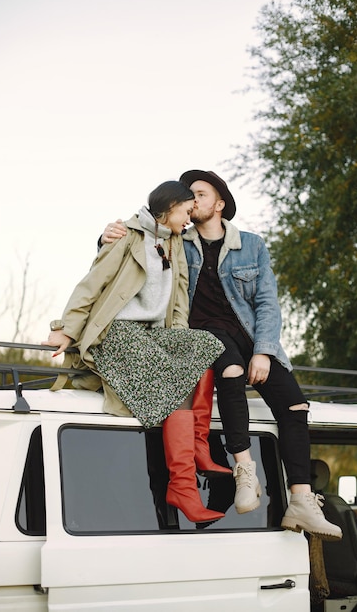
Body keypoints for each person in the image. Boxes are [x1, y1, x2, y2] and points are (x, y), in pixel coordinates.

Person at [100, 170, 342, 540]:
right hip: (206, 335)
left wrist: (263, 352)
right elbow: (137, 247)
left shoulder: (252, 245)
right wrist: (103, 236)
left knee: (295, 406)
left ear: (220, 203)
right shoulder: (178, 238)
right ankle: (245, 471)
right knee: (229, 370)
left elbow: (266, 304)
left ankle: (301, 500)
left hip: (249, 336)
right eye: (189, 197)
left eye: (200, 194)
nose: (192, 201)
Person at [42, 180, 231, 525]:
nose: (189, 219)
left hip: (154, 334)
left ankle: (198, 445)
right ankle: (183, 487)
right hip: (117, 331)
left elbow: (178, 301)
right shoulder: (127, 237)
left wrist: (180, 341)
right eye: (187, 211)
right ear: (171, 206)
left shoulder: (174, 243)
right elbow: (92, 283)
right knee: (172, 384)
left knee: (204, 349)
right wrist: (64, 328)